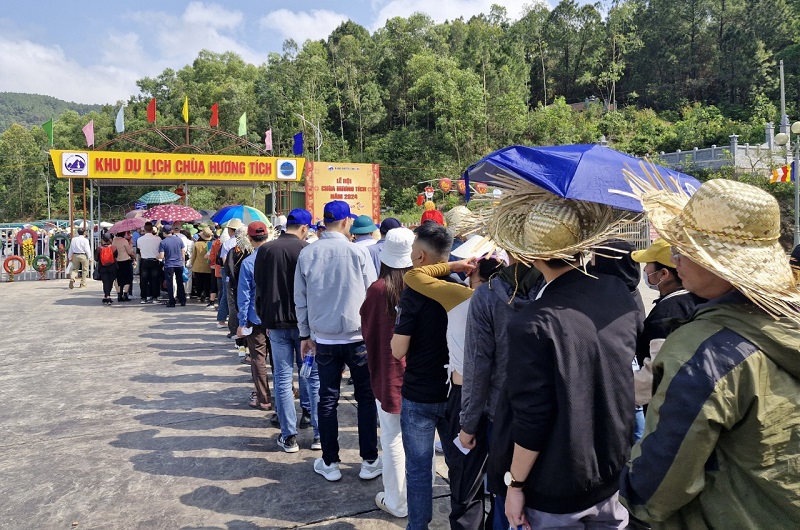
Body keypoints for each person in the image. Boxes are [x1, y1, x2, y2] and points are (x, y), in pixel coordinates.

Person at [619, 178, 800, 528]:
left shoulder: (704, 350)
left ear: (718, 261)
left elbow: (660, 484)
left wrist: (628, 493)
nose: (676, 259)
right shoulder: (787, 320)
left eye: (685, 249)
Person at [484, 198, 639, 530]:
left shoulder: (533, 323)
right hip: (609, 470)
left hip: (556, 483)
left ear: (532, 255)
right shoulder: (615, 291)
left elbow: (532, 416)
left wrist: (516, 484)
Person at [403, 254, 505, 529]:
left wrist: (454, 266)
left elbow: (412, 276)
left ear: (475, 277)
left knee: (466, 481)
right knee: (501, 479)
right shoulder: (511, 301)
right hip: (503, 400)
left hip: (464, 395)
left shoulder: (460, 296)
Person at [295, 200, 379, 482]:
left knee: (327, 399)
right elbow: (373, 293)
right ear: (346, 222)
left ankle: (329, 461)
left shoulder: (308, 254)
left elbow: (301, 300)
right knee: (366, 398)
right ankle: (369, 460)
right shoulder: (358, 252)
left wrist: (305, 335)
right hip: (358, 338)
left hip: (324, 339)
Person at [462, 254, 542, 530]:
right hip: (553, 414)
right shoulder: (561, 291)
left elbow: (477, 365)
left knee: (504, 496)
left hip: (502, 415)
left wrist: (468, 423)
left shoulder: (486, 296)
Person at [390, 221, 455, 530]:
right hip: (455, 393)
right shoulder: (463, 286)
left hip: (419, 394)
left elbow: (398, 350)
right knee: (460, 466)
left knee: (418, 469)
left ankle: (418, 526)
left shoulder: (413, 292)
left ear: (420, 257)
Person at [254, 208, 320, 452]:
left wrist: (264, 319)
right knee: (312, 378)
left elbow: (259, 287)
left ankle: (289, 435)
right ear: (304, 228)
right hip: (307, 325)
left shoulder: (266, 250)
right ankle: (318, 434)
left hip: (276, 323)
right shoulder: (307, 249)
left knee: (282, 379)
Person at [360, 227, 415, 518]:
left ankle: (397, 501)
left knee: (393, 439)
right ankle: (421, 491)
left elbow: (367, 332)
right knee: (421, 439)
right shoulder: (424, 285)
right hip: (421, 377)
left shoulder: (378, 290)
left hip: (388, 374)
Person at [629, 238, 703, 407]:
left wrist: (624, 394)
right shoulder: (693, 299)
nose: (645, 269)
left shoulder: (668, 312)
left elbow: (657, 372)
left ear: (664, 274)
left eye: (648, 264)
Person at [237, 222, 273, 412]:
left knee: (258, 359)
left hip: (255, 316)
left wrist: (242, 322)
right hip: (277, 317)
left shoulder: (248, 262)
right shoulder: (277, 258)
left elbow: (243, 296)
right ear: (268, 236)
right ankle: (287, 390)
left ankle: (264, 399)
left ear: (249, 239)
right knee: (279, 359)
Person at [158, 225, 187, 307]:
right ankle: (182, 300)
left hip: (169, 265)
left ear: (164, 232)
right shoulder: (179, 240)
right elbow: (183, 253)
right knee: (180, 282)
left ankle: (172, 301)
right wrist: (183, 263)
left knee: (169, 283)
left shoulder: (163, 242)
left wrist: (157, 257)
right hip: (179, 264)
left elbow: (161, 256)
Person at [137, 223, 162, 304]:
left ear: (144, 229)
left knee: (143, 280)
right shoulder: (158, 239)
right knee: (155, 279)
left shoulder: (140, 239)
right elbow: (160, 249)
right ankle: (155, 297)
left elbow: (139, 250)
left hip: (144, 260)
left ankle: (143, 297)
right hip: (155, 260)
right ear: (152, 229)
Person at [191, 227, 214, 303]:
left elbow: (193, 256)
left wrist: (192, 263)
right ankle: (207, 295)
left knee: (198, 282)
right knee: (207, 282)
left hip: (198, 266)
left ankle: (199, 296)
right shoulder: (211, 244)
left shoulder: (197, 244)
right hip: (208, 266)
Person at [112, 231, 136, 302]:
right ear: (123, 233)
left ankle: (119, 295)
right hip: (125, 261)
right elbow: (129, 252)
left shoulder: (114, 240)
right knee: (128, 278)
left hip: (116, 261)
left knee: (118, 279)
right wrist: (133, 256)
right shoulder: (124, 241)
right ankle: (125, 295)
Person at [95, 233, 118, 305]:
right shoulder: (113, 248)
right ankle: (108, 296)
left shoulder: (99, 248)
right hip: (112, 267)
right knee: (110, 282)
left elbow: (96, 258)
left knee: (105, 282)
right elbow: (116, 256)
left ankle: (106, 296)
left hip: (102, 267)